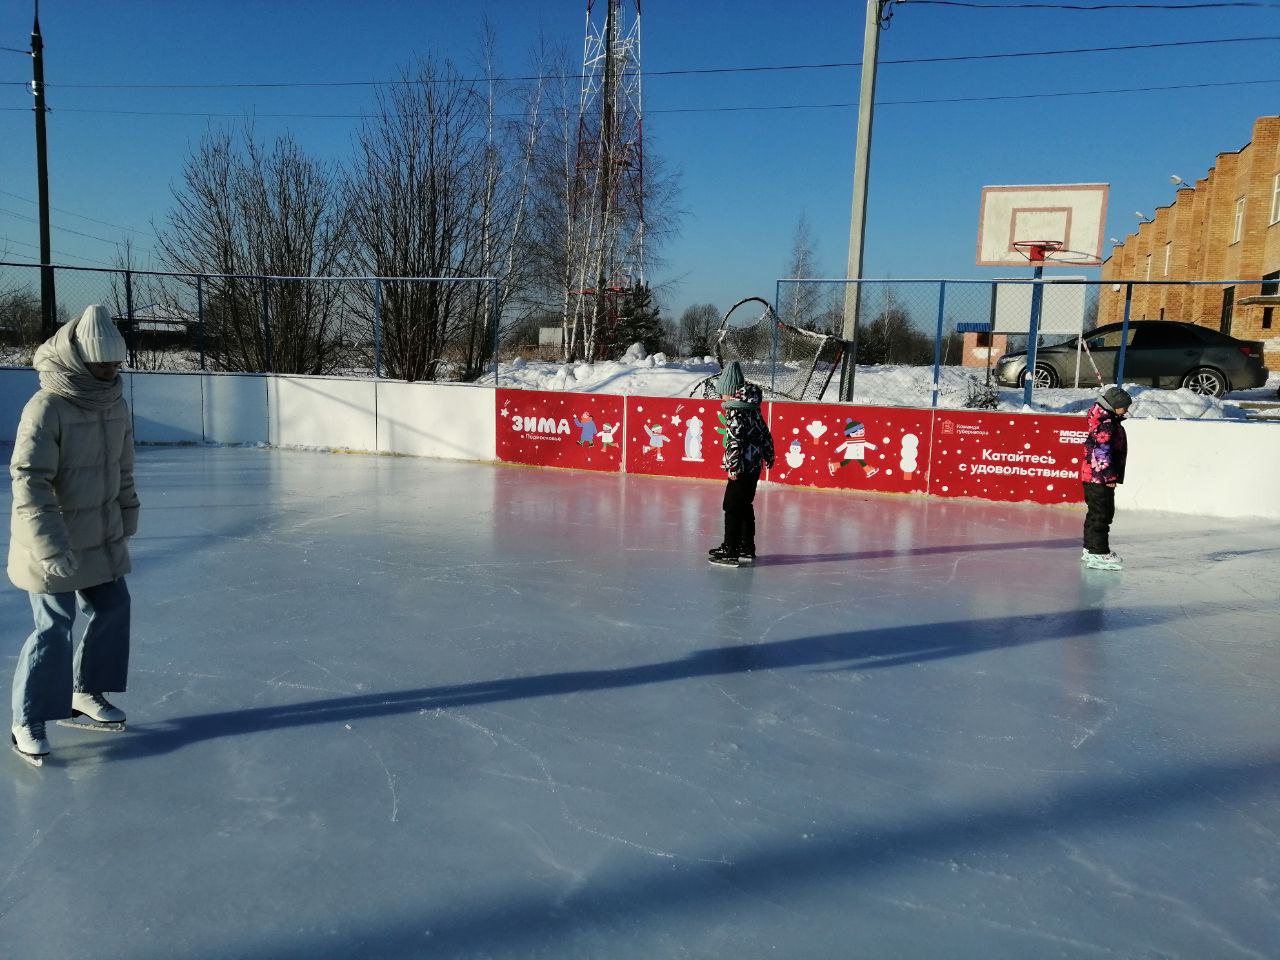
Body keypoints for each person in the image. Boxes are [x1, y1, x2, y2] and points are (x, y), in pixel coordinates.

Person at [9, 305, 139, 767]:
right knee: (53, 626)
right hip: (52, 538)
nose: (109, 370)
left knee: (114, 606)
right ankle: (28, 717)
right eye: (101, 363)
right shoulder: (48, 406)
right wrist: (49, 545)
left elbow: (122, 468)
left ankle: (87, 690)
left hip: (99, 532)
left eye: (115, 363)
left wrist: (127, 514)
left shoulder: (115, 401)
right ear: (79, 358)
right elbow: (29, 480)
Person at [708, 362, 774, 568]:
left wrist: (732, 467)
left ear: (731, 393)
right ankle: (746, 546)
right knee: (745, 505)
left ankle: (731, 549)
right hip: (754, 467)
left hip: (740, 468)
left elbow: (734, 442)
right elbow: (765, 435)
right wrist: (769, 456)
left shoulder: (735, 413)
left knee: (732, 506)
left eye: (722, 394)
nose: (721, 399)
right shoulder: (753, 410)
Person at [1080, 385, 1130, 572]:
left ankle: (1090, 549)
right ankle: (1098, 552)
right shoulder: (1106, 424)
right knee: (1102, 515)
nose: (1127, 410)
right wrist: (1109, 476)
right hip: (1099, 478)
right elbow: (1101, 453)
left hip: (1092, 477)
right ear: (1114, 405)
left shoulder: (1104, 420)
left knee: (1096, 514)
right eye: (1124, 406)